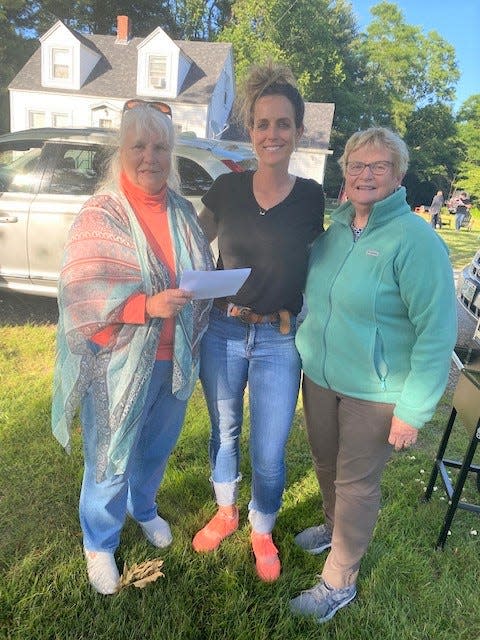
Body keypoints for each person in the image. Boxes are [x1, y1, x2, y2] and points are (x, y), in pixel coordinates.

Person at [290, 127, 457, 622]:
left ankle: (340, 580)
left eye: (378, 166)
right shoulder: (336, 229)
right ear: (345, 173)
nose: (365, 175)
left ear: (398, 176)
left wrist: (413, 411)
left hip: (375, 390)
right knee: (324, 464)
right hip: (320, 376)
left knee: (357, 483)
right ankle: (330, 526)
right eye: (357, 166)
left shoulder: (416, 240)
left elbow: (436, 332)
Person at [51, 99, 213, 595]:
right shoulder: (102, 212)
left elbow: (200, 271)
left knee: (156, 448)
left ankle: (142, 507)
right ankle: (99, 541)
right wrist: (145, 305)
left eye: (160, 146)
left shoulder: (184, 211)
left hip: (174, 360)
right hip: (117, 362)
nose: (150, 157)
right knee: (109, 454)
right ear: (119, 152)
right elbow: (81, 286)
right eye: (138, 146)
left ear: (172, 153)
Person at [191, 61, 325, 582]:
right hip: (223, 330)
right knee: (223, 433)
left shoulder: (312, 197)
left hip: (279, 337)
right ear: (251, 130)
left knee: (269, 447)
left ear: (296, 131)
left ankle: (261, 527)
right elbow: (191, 241)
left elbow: (328, 258)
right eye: (263, 124)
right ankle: (226, 511)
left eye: (283, 124)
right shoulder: (226, 190)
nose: (272, 133)